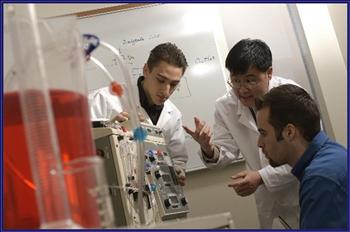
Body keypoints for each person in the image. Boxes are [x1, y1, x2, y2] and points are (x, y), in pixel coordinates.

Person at [183, 39, 300, 228]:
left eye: (250, 80)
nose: (242, 90)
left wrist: (261, 177)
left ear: (269, 73)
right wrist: (208, 148)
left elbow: (306, 154)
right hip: (269, 202)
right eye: (235, 81)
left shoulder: (292, 97)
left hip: (300, 191)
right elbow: (226, 152)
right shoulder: (225, 106)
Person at [89, 42, 189, 186]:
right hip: (109, 188)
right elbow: (77, 147)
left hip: (153, 194)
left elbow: (178, 158)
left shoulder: (173, 115)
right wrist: (110, 130)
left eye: (173, 84)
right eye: (161, 80)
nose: (166, 91)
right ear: (146, 70)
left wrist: (178, 171)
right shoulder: (104, 99)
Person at [255, 84, 347, 229]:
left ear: (289, 132)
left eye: (263, 133)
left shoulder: (319, 179)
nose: (259, 143)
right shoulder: (333, 154)